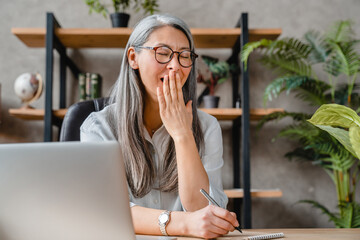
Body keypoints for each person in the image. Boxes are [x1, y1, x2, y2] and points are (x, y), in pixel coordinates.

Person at [80, 14, 239, 238]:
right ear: (133, 58)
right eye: (163, 53)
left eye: (184, 56)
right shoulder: (99, 127)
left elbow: (204, 211)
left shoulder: (207, 126)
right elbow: (103, 211)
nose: (175, 66)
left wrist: (183, 134)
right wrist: (181, 223)